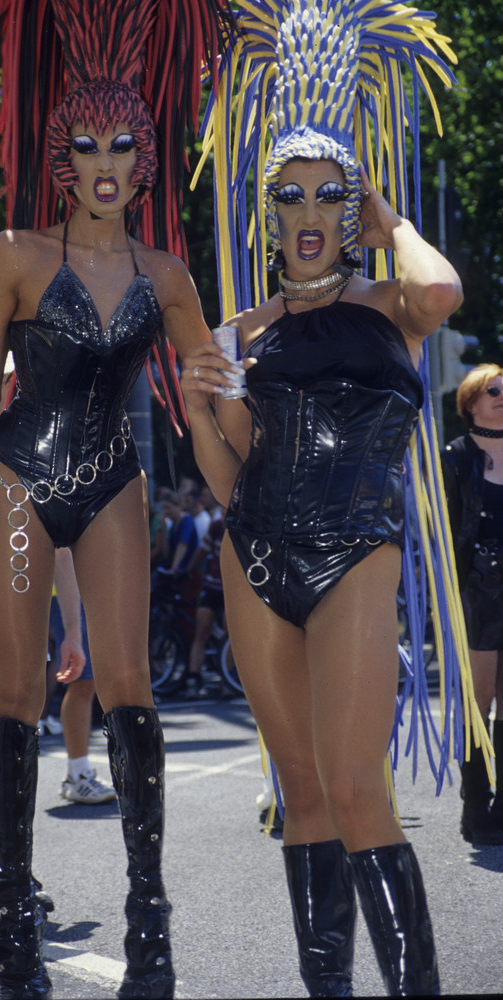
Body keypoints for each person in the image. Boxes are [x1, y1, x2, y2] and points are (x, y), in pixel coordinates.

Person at [0, 2, 229, 997]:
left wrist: (245, 482)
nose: (105, 160)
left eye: (123, 143)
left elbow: (206, 395)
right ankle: (16, 905)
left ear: (146, 158)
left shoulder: (167, 274)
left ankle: (148, 909)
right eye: (86, 143)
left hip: (115, 482)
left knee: (131, 686)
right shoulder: (16, 254)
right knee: (20, 697)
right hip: (16, 483)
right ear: (62, 157)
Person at [181, 1, 463, 995]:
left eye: (326, 196)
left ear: (349, 208)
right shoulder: (240, 332)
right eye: (289, 196)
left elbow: (442, 295)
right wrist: (197, 405)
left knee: (355, 790)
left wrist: (393, 223)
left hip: (357, 548)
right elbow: (230, 478)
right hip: (254, 553)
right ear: (268, 210)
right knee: (301, 795)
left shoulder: (390, 302)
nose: (307, 215)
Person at [440, 363, 503, 845]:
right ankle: (474, 806)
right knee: (477, 702)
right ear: (471, 402)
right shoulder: (455, 457)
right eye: (492, 391)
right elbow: (443, 529)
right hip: (476, 589)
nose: (501, 397)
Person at [51, 547, 115, 804]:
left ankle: (77, 773)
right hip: (64, 588)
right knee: (82, 680)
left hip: (78, 587)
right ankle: (77, 775)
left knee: (85, 680)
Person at [184, 515, 225, 699]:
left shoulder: (245, 520)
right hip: (212, 585)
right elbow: (202, 550)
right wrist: (187, 570)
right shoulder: (216, 526)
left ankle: (227, 678)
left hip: (231, 588)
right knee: (201, 631)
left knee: (231, 635)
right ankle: (193, 678)